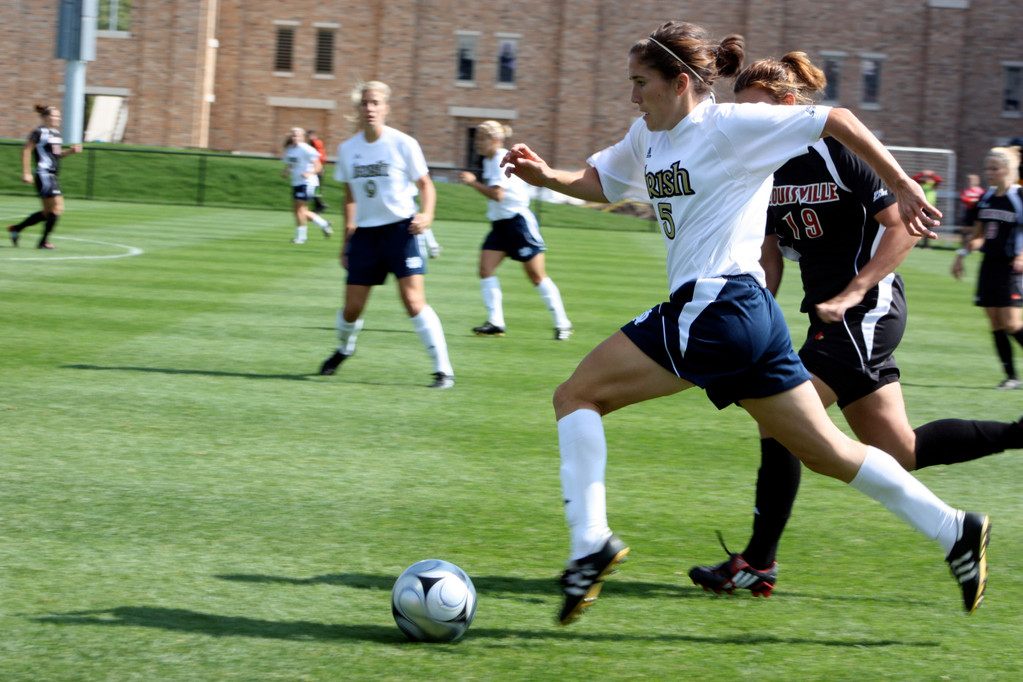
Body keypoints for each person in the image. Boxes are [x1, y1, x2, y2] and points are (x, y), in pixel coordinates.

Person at [500, 20, 988, 626]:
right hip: (748, 317)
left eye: (640, 83)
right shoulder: (648, 134)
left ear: (681, 83)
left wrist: (903, 183)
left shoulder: (728, 127)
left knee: (576, 395)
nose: (632, 96)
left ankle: (589, 542)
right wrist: (548, 177)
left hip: (716, 305)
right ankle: (955, 530)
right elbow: (601, 181)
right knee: (829, 451)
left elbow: (835, 119)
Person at [684, 53, 1023, 600]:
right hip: (827, 315)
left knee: (782, 419)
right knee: (900, 449)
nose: (746, 123)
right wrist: (752, 322)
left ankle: (758, 563)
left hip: (867, 308)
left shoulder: (838, 149)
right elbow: (768, 257)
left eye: (757, 110)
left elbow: (905, 226)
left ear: (789, 105)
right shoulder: (761, 165)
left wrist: (855, 291)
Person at [318, 81, 455, 389]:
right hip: (365, 235)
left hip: (400, 231)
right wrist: (346, 241)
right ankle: (343, 349)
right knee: (352, 307)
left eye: (376, 102)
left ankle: (443, 370)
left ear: (385, 107)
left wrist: (427, 215)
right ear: (358, 108)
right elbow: (349, 197)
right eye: (365, 102)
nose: (370, 108)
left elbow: (425, 185)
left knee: (413, 301)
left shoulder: (403, 143)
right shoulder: (347, 149)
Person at [459, 120, 573, 340]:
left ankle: (563, 323)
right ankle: (496, 322)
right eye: (477, 138)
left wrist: (472, 182)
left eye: (481, 138)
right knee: (485, 270)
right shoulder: (490, 160)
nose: (477, 143)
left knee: (536, 276)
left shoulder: (500, 158)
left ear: (495, 140)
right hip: (500, 225)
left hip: (518, 224)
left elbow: (497, 194)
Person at [952, 145, 1023, 389]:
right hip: (989, 266)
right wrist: (962, 254)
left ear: (1008, 170)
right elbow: (980, 235)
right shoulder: (986, 198)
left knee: (1013, 323)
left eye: (995, 168)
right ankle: (1012, 378)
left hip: (1012, 267)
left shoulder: (1019, 195)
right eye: (988, 168)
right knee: (995, 322)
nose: (989, 172)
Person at [7, 104, 82, 250]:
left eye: (59, 116)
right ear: (46, 117)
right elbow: (26, 150)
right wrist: (26, 172)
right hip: (44, 174)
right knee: (58, 208)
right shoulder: (39, 132)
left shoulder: (56, 134)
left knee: (48, 213)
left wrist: (71, 151)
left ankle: (16, 229)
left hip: (52, 175)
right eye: (55, 116)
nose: (58, 119)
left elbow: (57, 155)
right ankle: (43, 242)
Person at [281, 127, 332, 244]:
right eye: (293, 135)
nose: (295, 138)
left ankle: (301, 237)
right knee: (300, 210)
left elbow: (319, 166)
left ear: (302, 137)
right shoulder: (290, 149)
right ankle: (324, 224)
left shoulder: (306, 149)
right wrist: (286, 171)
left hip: (309, 182)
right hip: (297, 182)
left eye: (297, 136)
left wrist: (309, 173)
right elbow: (291, 163)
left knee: (299, 209)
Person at [911, 169, 943, 249]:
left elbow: (939, 180)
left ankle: (926, 244)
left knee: (928, 226)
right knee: (918, 224)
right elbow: (913, 179)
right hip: (920, 207)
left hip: (929, 208)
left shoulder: (932, 185)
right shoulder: (920, 184)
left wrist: (931, 174)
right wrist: (922, 174)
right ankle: (916, 243)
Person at [306, 129, 329, 214]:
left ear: (314, 135)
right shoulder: (314, 143)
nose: (308, 138)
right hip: (315, 168)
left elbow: (320, 156)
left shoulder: (316, 143)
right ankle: (319, 205)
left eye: (309, 136)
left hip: (318, 168)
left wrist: (320, 167)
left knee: (315, 187)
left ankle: (319, 206)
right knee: (315, 188)